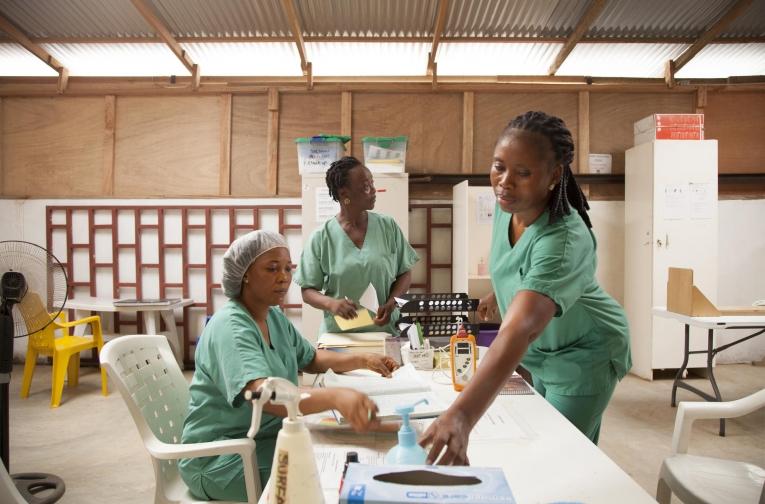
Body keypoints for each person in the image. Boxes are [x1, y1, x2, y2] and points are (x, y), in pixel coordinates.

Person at [420, 111, 631, 465]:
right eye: (499, 166)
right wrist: (499, 293)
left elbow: (521, 327)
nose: (504, 182)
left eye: (523, 172)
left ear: (554, 175)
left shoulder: (563, 237)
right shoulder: (509, 207)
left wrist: (461, 415)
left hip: (584, 353)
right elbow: (519, 265)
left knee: (559, 458)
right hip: (542, 352)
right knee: (534, 440)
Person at [179, 230, 398, 501]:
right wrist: (335, 396)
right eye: (272, 269)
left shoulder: (272, 317)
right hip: (222, 457)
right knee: (318, 477)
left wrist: (363, 359)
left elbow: (312, 358)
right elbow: (262, 396)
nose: (284, 277)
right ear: (244, 274)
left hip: (266, 438)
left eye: (287, 268)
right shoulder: (231, 328)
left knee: (345, 452)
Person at [294, 156, 419, 335]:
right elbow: (307, 291)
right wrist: (331, 304)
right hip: (340, 336)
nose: (374, 191)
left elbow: (405, 272)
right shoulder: (322, 237)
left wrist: (392, 302)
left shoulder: (387, 226)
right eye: (366, 187)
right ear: (345, 194)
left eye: (373, 184)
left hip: (384, 332)